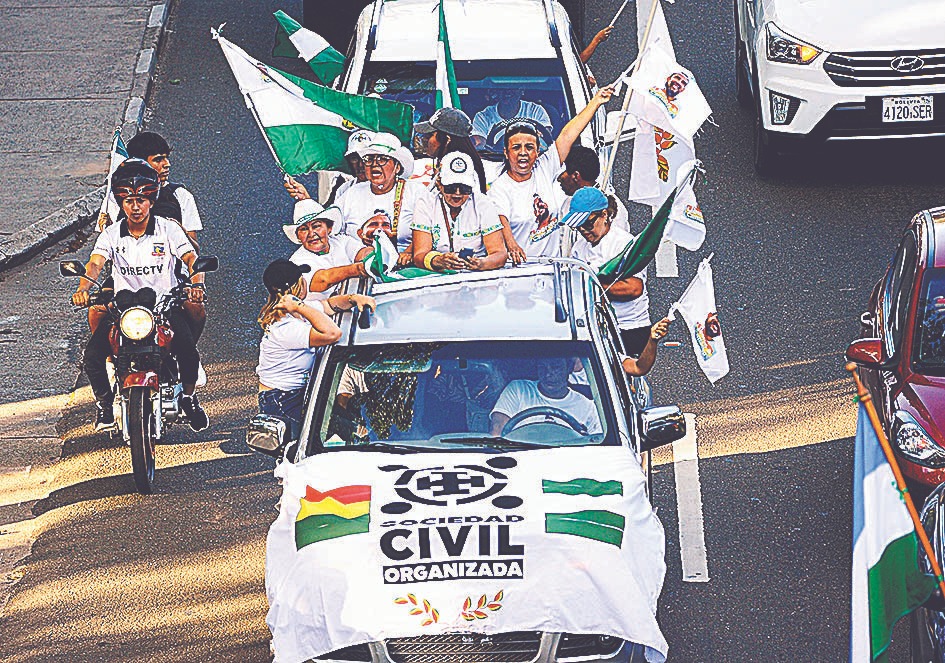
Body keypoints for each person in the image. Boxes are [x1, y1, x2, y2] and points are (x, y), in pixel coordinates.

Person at [71, 159, 209, 432]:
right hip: (123, 311)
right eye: (129, 200)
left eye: (142, 200)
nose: (136, 207)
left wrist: (196, 284)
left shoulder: (168, 229)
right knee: (92, 356)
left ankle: (189, 398)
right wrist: (83, 288)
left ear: (151, 200)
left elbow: (191, 257)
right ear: (121, 203)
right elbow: (96, 263)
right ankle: (104, 405)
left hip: (163, 309)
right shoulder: (111, 234)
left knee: (188, 353)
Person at [488, 86, 614, 264]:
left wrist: (596, 101)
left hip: (551, 269)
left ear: (537, 152)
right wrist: (512, 245)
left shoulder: (544, 168)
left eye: (529, 147)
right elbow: (501, 220)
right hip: (519, 272)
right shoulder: (500, 188)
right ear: (507, 153)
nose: (523, 152)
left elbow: (568, 134)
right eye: (516, 147)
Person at [256, 259, 375, 440]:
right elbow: (333, 333)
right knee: (349, 434)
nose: (306, 281)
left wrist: (354, 299)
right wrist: (299, 306)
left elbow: (329, 306)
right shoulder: (285, 327)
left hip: (297, 392)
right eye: (302, 278)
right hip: (282, 401)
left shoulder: (299, 311)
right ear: (296, 286)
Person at [124, 131, 208, 342]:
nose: (167, 164)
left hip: (172, 280)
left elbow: (193, 250)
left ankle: (187, 353)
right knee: (96, 311)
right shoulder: (117, 199)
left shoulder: (180, 197)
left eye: (166, 158)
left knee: (195, 309)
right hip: (127, 277)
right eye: (158, 160)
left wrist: (176, 231)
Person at [563, 187, 652, 356]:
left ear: (604, 215)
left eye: (588, 223)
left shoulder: (624, 243)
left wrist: (591, 286)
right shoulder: (579, 248)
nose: (583, 230)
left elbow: (634, 288)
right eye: (578, 226)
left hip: (628, 329)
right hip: (595, 327)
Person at [336, 133, 425, 266]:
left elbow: (432, 228)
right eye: (369, 159)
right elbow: (333, 230)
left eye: (382, 159)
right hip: (359, 267)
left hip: (404, 268)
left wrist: (408, 253)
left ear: (397, 167)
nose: (374, 164)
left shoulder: (415, 191)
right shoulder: (351, 193)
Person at [411, 152, 508, 272]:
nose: (457, 194)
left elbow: (499, 253)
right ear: (439, 184)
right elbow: (419, 254)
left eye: (464, 189)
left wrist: (482, 263)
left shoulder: (483, 203)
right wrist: (437, 260)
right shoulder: (425, 203)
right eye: (450, 188)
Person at [284, 199, 371, 303]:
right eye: (304, 229)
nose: (311, 234)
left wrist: (374, 256)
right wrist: (359, 268)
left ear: (329, 228)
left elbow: (363, 253)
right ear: (298, 236)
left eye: (316, 226)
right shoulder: (296, 262)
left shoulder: (341, 241)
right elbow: (324, 280)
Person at [490, 357, 602, 436]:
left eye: (555, 367)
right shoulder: (518, 389)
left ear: (568, 368)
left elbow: (598, 444)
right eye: (542, 367)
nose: (548, 374)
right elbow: (498, 429)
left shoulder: (587, 407)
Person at [283, 129, 375, 205]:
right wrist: (306, 199)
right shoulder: (343, 188)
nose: (360, 165)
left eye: (366, 158)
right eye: (354, 158)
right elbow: (327, 220)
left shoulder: (387, 191)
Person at [556, 145, 630, 233]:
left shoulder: (612, 208)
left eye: (561, 174)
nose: (558, 179)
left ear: (576, 176)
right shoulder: (568, 204)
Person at [413, 107, 488, 193]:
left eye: (430, 135)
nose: (425, 139)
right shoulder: (446, 164)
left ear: (447, 139)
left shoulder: (460, 169)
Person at [471, 89, 554, 150]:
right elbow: (479, 145)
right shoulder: (483, 116)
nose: (508, 91)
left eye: (513, 88)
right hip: (495, 163)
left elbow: (545, 138)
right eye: (503, 87)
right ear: (496, 92)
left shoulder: (535, 110)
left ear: (522, 90)